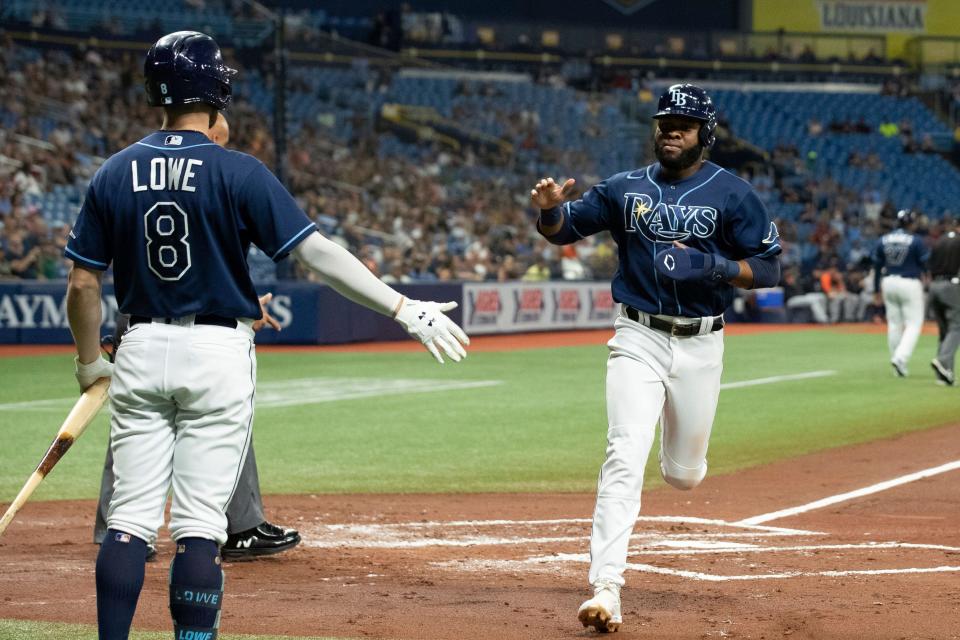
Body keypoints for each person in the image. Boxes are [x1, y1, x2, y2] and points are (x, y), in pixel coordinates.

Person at [65, 31, 468, 640]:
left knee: (128, 524)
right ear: (217, 91)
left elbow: (82, 288)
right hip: (218, 353)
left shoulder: (113, 172)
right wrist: (403, 308)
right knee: (200, 528)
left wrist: (90, 361)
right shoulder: (239, 171)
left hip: (141, 346)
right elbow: (319, 255)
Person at [530, 83, 781, 633]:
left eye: (684, 125)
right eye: (665, 122)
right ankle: (606, 588)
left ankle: (682, 467)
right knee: (624, 452)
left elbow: (768, 270)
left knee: (684, 475)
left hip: (700, 342)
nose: (671, 131)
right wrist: (549, 212)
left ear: (704, 135)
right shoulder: (625, 189)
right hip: (637, 336)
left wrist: (712, 267)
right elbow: (562, 228)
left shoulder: (733, 194)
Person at [92, 113, 300, 562]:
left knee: (155, 421)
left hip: (150, 323)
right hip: (167, 322)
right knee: (214, 412)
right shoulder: (216, 176)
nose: (216, 149)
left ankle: (122, 529)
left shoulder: (128, 170)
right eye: (216, 139)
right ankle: (223, 528)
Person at [872, 209, 929, 377]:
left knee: (894, 323)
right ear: (911, 223)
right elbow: (925, 264)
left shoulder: (883, 239)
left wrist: (876, 290)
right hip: (909, 282)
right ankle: (901, 357)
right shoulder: (915, 240)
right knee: (913, 323)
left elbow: (876, 266)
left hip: (888, 281)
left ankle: (898, 367)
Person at [928, 223, 960, 385]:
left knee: (944, 330)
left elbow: (929, 264)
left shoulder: (939, 241)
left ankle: (944, 375)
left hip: (934, 286)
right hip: (951, 285)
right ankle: (943, 360)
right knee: (957, 326)